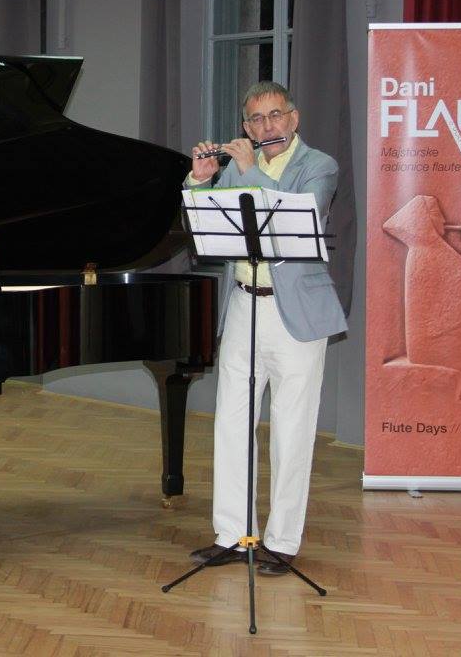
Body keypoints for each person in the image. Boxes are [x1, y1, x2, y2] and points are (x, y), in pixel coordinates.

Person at [184, 82, 347, 575]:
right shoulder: (237, 167)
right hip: (243, 305)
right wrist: (201, 182)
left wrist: (247, 172)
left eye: (275, 115)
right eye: (256, 120)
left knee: (292, 429)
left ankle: (281, 541)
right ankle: (234, 535)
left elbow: (299, 217)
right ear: (246, 127)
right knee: (232, 423)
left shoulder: (318, 166)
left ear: (293, 119)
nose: (266, 126)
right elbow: (207, 229)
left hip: (295, 312)